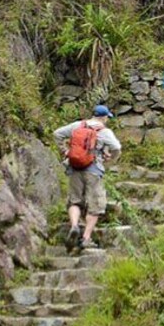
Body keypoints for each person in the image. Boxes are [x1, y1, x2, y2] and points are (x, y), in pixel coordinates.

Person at [53, 105, 121, 251]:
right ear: (104, 117)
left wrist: (66, 152)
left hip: (74, 167)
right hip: (93, 169)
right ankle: (86, 238)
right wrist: (110, 160)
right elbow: (117, 147)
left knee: (75, 200)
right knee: (95, 205)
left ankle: (74, 225)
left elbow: (57, 134)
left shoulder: (77, 125)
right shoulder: (104, 131)